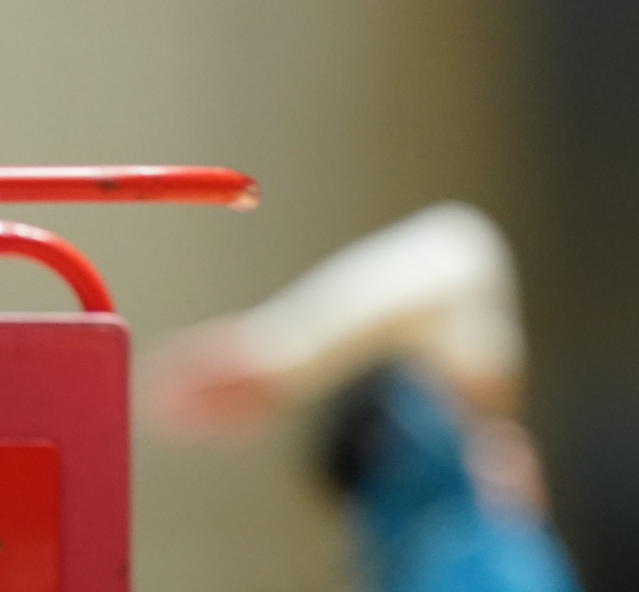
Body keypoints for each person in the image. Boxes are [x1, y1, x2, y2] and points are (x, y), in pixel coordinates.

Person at [141, 202, 580, 592]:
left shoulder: (462, 546)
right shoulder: (465, 545)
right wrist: (275, 354)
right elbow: (459, 252)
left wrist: (275, 354)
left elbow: (458, 253)